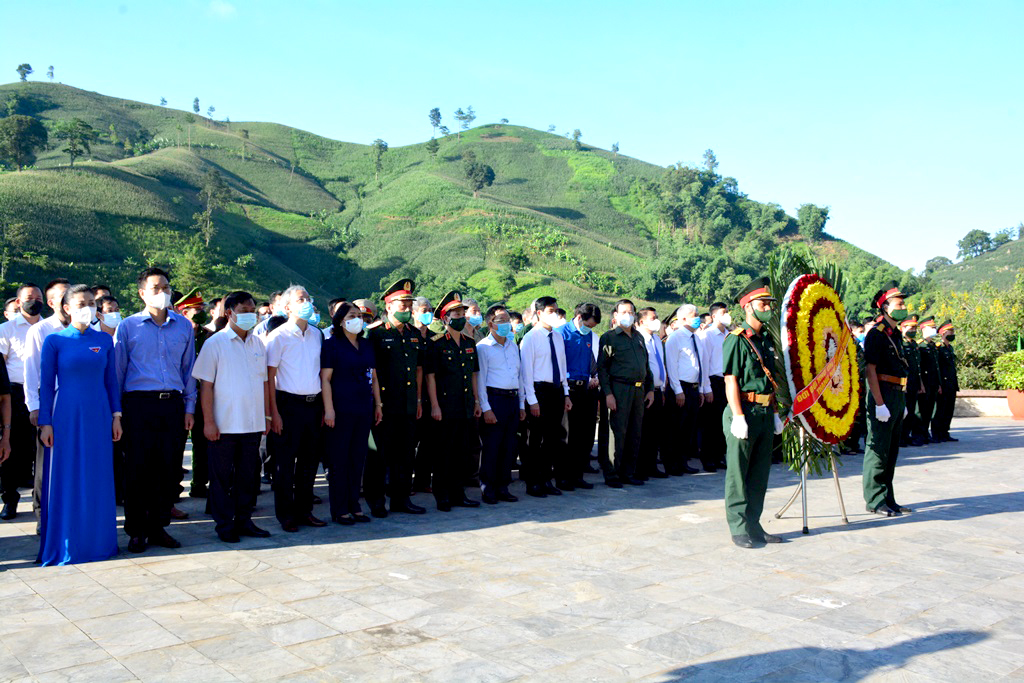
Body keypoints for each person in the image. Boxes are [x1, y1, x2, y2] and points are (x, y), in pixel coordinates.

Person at [114, 268, 197, 553]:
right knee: (138, 468)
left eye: (166, 287)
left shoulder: (184, 327)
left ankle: (159, 526)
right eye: (155, 288)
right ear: (142, 293)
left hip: (172, 404)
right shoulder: (128, 327)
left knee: (168, 468)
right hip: (138, 405)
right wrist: (117, 413)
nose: (162, 292)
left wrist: (189, 407)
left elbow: (189, 371)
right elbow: (118, 371)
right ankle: (136, 530)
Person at [37, 284, 120, 565]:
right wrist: (45, 423)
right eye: (81, 304)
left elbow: (111, 382)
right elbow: (46, 386)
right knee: (68, 476)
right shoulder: (55, 341)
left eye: (91, 304)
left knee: (97, 476)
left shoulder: (105, 341)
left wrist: (116, 416)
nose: (88, 308)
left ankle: (98, 541)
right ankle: (68, 542)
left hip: (99, 415)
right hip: (66, 416)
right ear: (67, 308)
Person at [192, 290, 272, 543]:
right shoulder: (215, 343)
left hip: (252, 423)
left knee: (248, 477)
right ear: (229, 313)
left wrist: (266, 418)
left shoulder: (258, 343)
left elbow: (264, 383)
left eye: (252, 311)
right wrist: (209, 422)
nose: (250, 315)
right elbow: (206, 386)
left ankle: (245, 520)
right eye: (244, 311)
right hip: (224, 425)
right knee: (221, 478)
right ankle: (225, 525)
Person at [721, 277, 785, 548]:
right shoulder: (737, 340)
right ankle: (738, 527)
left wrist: (774, 412)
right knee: (738, 474)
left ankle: (754, 524)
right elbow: (730, 380)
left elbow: (771, 379)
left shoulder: (766, 340)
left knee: (759, 475)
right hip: (744, 411)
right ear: (748, 306)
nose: (768, 308)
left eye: (770, 304)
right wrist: (737, 415)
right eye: (763, 303)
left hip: (763, 411)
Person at [266, 285, 327, 532]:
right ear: (287, 306)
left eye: (308, 298)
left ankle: (305, 511)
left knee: (309, 462)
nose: (307, 302)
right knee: (284, 465)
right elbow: (268, 378)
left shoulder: (317, 334)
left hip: (313, 405)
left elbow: (321, 374)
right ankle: (286, 514)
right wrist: (273, 413)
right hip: (287, 404)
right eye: (301, 298)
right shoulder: (278, 336)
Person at [366, 279, 426, 517]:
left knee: (405, 455)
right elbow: (371, 372)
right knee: (379, 456)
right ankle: (376, 500)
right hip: (384, 405)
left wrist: (419, 400)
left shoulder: (413, 334)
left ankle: (401, 499)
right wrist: (377, 403)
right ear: (389, 306)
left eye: (409, 304)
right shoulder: (376, 334)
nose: (407, 309)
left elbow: (419, 370)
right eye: (402, 304)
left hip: (409, 404)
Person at [322, 302, 382, 524]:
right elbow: (325, 379)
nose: (358, 319)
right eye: (352, 315)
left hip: (363, 408)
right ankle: (340, 509)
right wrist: (329, 409)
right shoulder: (331, 345)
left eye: (360, 315)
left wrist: (378, 405)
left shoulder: (366, 344)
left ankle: (355, 505)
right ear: (340, 320)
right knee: (339, 460)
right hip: (340, 409)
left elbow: (373, 377)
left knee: (358, 459)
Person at [424, 291, 481, 511]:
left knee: (462, 452)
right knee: (443, 453)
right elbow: (431, 377)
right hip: (445, 406)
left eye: (462, 313)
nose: (460, 317)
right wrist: (435, 405)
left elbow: (474, 374)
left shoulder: (469, 342)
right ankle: (442, 495)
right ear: (445, 318)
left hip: (465, 405)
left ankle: (459, 493)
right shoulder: (436, 344)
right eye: (455, 313)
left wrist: (476, 402)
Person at [862, 282, 911, 518]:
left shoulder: (895, 334)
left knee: (891, 452)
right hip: (882, 393)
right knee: (878, 451)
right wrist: (879, 403)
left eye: (903, 303)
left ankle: (888, 498)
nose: (903, 307)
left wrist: (902, 403)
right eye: (898, 303)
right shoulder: (876, 334)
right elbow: (870, 370)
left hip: (896, 394)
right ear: (884, 308)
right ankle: (875, 499)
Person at [25, 278, 71, 526]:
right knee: (46, 463)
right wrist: (35, 407)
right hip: (50, 404)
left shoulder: (84, 328)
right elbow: (31, 372)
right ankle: (43, 516)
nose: (68, 300)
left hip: (78, 404)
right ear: (51, 302)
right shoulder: (40, 330)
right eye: (63, 296)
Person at [596, 299, 653, 488]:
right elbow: (602, 369)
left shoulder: (639, 337)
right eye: (624, 312)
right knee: (616, 433)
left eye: (631, 312)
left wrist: (650, 389)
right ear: (615, 316)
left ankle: (628, 472)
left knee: (635, 432)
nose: (628, 315)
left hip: (639, 390)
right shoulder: (609, 337)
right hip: (619, 388)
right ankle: (612, 474)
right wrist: (608, 394)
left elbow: (646, 366)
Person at [519, 296, 572, 497]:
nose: (555, 314)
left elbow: (562, 366)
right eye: (550, 311)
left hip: (556, 390)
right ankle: (533, 482)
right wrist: (532, 400)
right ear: (539, 313)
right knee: (536, 440)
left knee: (552, 438)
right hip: (538, 391)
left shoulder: (558, 337)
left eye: (556, 311)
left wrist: (566, 393)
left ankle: (546, 479)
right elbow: (527, 372)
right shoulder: (531, 338)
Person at [0, 283, 43, 520]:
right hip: (15, 394)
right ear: (18, 302)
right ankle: (10, 500)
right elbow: (2, 364)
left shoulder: (50, 328)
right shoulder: (6, 329)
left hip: (43, 392)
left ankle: (42, 503)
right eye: (29, 297)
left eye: (38, 297)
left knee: (41, 450)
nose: (33, 300)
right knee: (11, 450)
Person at [476, 304, 526, 504]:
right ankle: (488, 488)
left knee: (509, 446)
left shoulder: (513, 345)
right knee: (492, 446)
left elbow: (519, 376)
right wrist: (486, 407)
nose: (506, 324)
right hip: (494, 399)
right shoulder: (483, 348)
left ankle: (503, 486)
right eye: (501, 321)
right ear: (490, 324)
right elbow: (480, 380)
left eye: (507, 320)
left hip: (512, 399)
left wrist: (521, 404)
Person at [665, 304, 711, 474]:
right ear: (683, 318)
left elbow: (700, 364)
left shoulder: (696, 337)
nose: (698, 318)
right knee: (675, 428)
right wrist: (678, 390)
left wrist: (700, 390)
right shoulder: (675, 338)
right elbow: (672, 365)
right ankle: (672, 463)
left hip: (693, 388)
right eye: (694, 315)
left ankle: (683, 461)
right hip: (680, 388)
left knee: (688, 429)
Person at [560, 303, 601, 488]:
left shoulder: (589, 335)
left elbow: (590, 362)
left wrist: (594, 377)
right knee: (568, 436)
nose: (589, 330)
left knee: (583, 436)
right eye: (588, 325)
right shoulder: (561, 334)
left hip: (586, 389)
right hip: (568, 389)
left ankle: (578, 475)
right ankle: (563, 477)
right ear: (578, 318)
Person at [635, 308, 670, 479]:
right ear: (642, 321)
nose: (657, 320)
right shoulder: (638, 339)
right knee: (643, 431)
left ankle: (651, 465)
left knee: (654, 431)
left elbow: (660, 364)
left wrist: (662, 389)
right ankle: (640, 467)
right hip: (643, 390)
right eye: (653, 318)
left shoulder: (656, 339)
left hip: (657, 390)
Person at [701, 302, 731, 469]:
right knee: (711, 422)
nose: (727, 315)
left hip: (728, 381)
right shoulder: (708, 335)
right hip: (713, 381)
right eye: (723, 312)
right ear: (713, 316)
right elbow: (705, 363)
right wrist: (706, 387)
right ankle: (708, 457)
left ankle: (720, 455)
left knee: (725, 422)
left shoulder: (729, 334)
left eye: (727, 312)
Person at [411, 296, 435, 494]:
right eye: (424, 310)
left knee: (428, 442)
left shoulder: (435, 338)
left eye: (430, 310)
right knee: (409, 443)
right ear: (414, 313)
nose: (428, 313)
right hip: (411, 397)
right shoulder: (408, 335)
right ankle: (404, 482)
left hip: (431, 397)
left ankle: (423, 480)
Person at [899, 315, 924, 448]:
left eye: (915, 327)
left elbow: (917, 367)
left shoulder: (913, 344)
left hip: (914, 382)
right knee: (904, 411)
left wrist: (920, 383)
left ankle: (907, 435)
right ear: (903, 327)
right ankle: (901, 437)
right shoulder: (901, 343)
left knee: (912, 410)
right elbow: (902, 366)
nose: (914, 329)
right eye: (911, 327)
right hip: (905, 383)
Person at [933, 320, 960, 442]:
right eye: (951, 331)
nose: (952, 333)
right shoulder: (938, 348)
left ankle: (945, 432)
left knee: (949, 409)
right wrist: (938, 384)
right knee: (940, 409)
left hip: (951, 383)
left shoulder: (950, 348)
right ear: (943, 333)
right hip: (943, 383)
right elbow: (937, 367)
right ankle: (937, 433)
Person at [916, 317, 941, 443]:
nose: (934, 330)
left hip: (933, 382)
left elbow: (936, 367)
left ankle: (926, 433)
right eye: (932, 327)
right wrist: (920, 383)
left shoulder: (932, 346)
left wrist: (939, 383)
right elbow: (919, 367)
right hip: (924, 382)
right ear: (924, 329)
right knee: (922, 410)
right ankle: (920, 434)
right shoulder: (920, 345)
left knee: (931, 409)